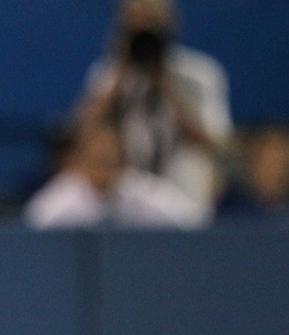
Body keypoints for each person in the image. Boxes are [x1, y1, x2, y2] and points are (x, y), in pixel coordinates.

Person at [73, 0, 233, 213]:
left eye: (151, 24)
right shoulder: (109, 75)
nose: (143, 33)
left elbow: (217, 144)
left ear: (168, 27)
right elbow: (81, 134)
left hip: (184, 194)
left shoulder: (199, 74)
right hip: (125, 197)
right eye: (134, 26)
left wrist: (167, 86)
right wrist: (120, 70)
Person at [23, 120, 208, 229]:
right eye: (97, 160)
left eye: (111, 160)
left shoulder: (139, 190)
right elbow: (35, 230)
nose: (105, 168)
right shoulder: (59, 201)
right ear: (78, 162)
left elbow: (193, 220)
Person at [216, 125, 289, 222]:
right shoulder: (231, 207)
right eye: (268, 163)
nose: (275, 172)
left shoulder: (284, 213)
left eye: (280, 164)